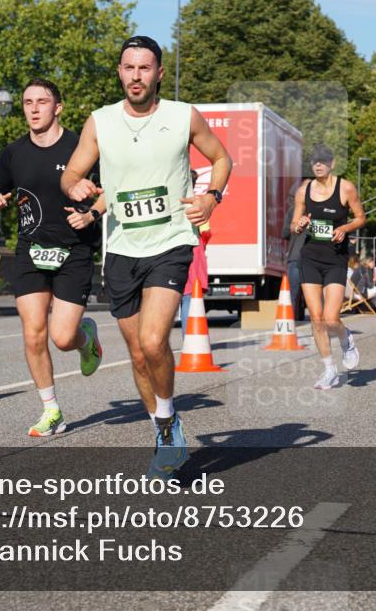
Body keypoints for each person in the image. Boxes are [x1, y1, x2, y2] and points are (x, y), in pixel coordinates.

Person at [60, 35, 232, 480]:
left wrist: (211, 198)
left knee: (155, 342)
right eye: (128, 68)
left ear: (158, 73)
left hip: (171, 242)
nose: (135, 76)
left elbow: (221, 158)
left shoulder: (182, 116)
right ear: (119, 72)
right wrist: (76, 187)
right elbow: (74, 172)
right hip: (120, 248)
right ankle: (162, 425)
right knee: (138, 354)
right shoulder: (99, 122)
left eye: (144, 68)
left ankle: (169, 422)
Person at [0, 77, 104, 438]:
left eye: (42, 102)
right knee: (33, 332)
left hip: (75, 249)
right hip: (31, 250)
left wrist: (90, 215)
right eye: (27, 102)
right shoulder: (14, 152)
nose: (34, 108)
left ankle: (87, 339)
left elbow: (108, 191)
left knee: (62, 338)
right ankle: (51, 410)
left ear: (58, 107)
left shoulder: (80, 148)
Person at [290, 144, 366, 389]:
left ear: (332, 164)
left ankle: (346, 340)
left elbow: (360, 217)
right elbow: (294, 225)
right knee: (316, 317)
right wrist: (300, 225)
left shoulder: (345, 187)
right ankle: (329, 370)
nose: (318, 165)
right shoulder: (304, 190)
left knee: (331, 319)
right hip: (310, 257)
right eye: (314, 161)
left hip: (335, 259)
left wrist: (344, 228)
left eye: (323, 161)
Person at [179, 170, 212, 327]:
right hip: (193, 250)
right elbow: (205, 231)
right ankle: (190, 339)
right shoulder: (196, 202)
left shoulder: (169, 200)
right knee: (190, 297)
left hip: (167, 249)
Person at [283, 177, 309, 321]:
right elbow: (286, 232)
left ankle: (289, 324)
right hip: (303, 258)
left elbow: (285, 233)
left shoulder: (292, 210)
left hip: (296, 256)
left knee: (293, 293)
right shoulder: (294, 210)